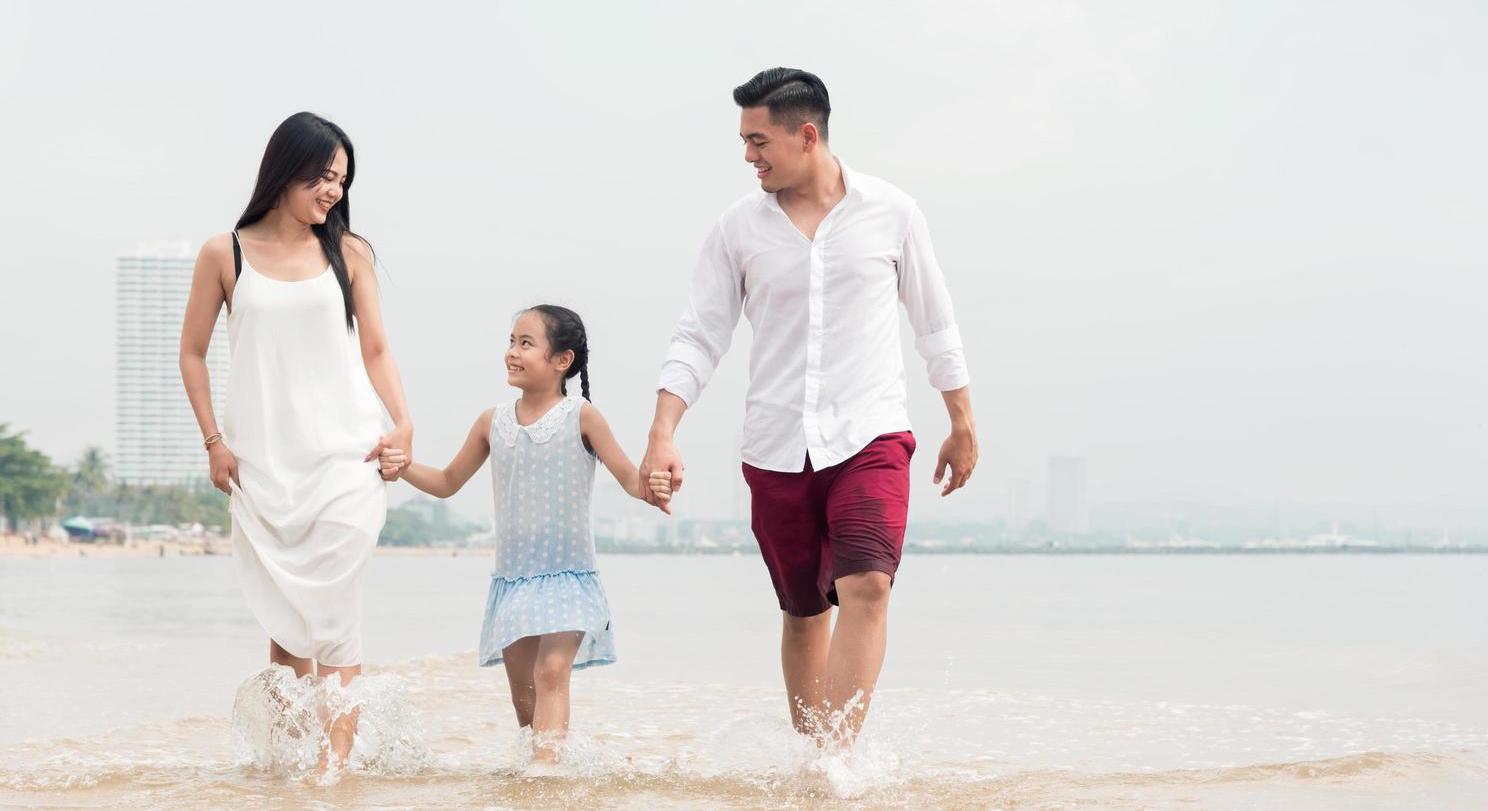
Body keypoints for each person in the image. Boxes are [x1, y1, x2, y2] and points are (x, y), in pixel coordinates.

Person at [638, 68, 979, 748]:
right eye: (744, 141)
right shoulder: (737, 229)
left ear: (807, 135)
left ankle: (838, 762)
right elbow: (700, 334)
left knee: (869, 587)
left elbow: (934, 324)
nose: (747, 155)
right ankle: (810, 758)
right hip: (776, 445)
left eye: (757, 140)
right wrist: (662, 430)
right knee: (801, 613)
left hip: (872, 434)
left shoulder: (894, 213)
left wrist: (962, 422)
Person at [179, 112, 412, 772]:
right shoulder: (223, 253)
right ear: (286, 170)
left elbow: (377, 347)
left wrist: (403, 420)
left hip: (346, 458)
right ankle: (291, 766)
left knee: (335, 621)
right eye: (323, 176)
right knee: (287, 631)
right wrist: (213, 443)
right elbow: (191, 354)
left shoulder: (350, 253)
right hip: (261, 467)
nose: (333, 191)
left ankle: (330, 777)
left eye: (342, 180)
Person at [377, 305, 672, 765]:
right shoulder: (490, 422)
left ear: (562, 361)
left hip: (568, 576)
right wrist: (402, 467)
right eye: (511, 341)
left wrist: (653, 487)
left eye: (526, 343)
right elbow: (447, 482)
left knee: (552, 670)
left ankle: (545, 775)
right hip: (513, 581)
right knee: (525, 701)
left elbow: (632, 480)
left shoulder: (582, 416)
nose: (512, 353)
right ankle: (546, 775)